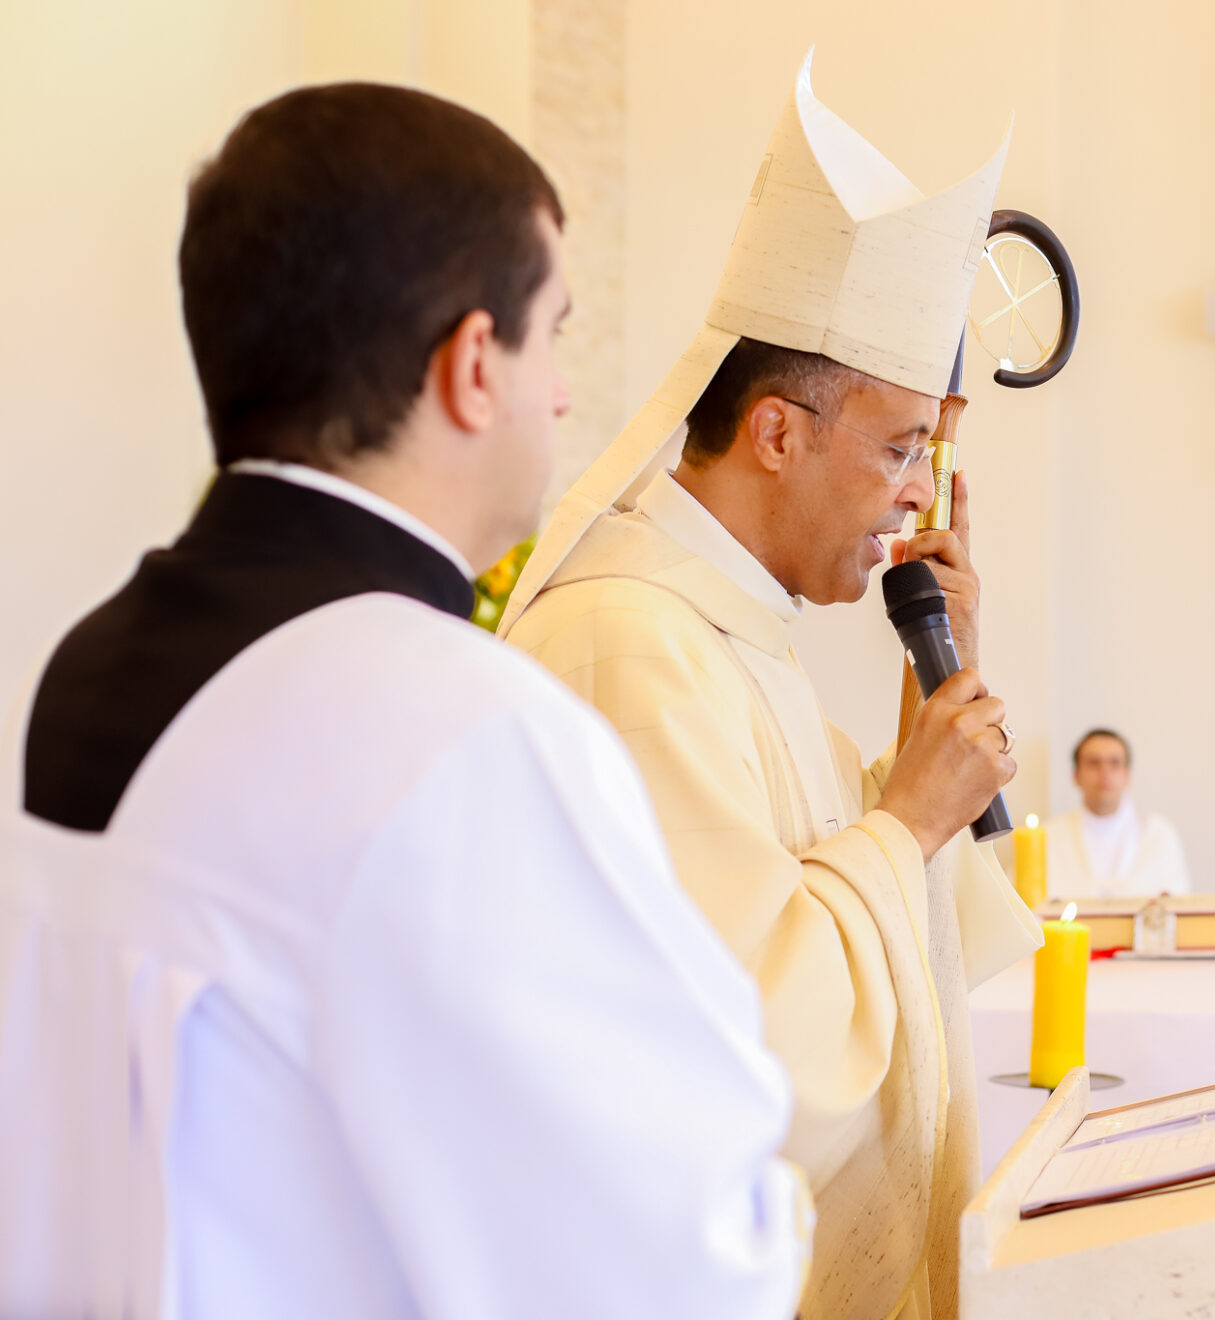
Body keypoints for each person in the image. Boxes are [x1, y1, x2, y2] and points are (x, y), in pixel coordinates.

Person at [0, 85, 807, 1318]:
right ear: (473, 366)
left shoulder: (87, 663)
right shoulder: (457, 729)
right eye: (553, 336)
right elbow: (685, 1263)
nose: (563, 397)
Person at [499, 56, 1039, 1320]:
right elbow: (750, 1046)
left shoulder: (732, 633)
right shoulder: (626, 646)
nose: (916, 496)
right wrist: (907, 820)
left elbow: (832, 878)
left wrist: (928, 726)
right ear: (779, 432)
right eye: (900, 448)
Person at [1043, 728, 1191, 897]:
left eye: (1114, 763)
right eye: (1094, 763)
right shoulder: (1048, 837)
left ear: (1127, 775)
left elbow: (1177, 899)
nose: (1104, 773)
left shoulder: (1159, 835)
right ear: (1076, 775)